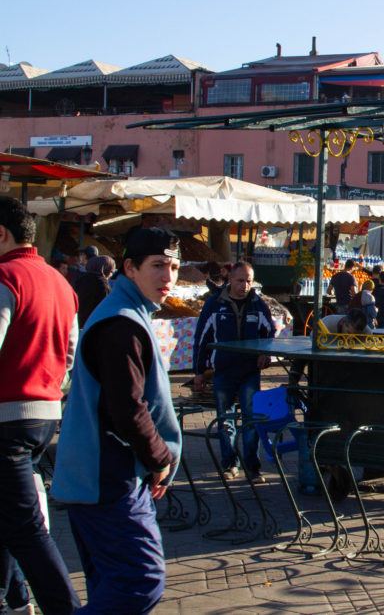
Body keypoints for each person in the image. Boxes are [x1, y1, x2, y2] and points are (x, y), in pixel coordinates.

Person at [52, 227, 184, 613]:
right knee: (140, 581)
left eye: (174, 267)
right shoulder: (121, 323)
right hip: (107, 478)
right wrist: (159, 458)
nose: (168, 276)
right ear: (130, 268)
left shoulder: (128, 315)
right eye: (157, 265)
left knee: (109, 584)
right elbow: (128, 408)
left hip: (102, 476)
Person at [0, 197, 81, 615]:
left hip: (7, 418)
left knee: (27, 528)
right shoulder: (58, 282)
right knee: (9, 515)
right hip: (45, 413)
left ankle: (62, 608)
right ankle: (16, 601)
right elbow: (70, 352)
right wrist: (50, 388)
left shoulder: (5, 277)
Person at [193, 262, 277, 482]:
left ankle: (252, 467)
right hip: (223, 371)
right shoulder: (214, 304)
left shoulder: (258, 304)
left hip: (250, 372)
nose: (245, 286)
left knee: (251, 420)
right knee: (225, 421)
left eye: (249, 281)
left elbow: (269, 332)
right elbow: (202, 338)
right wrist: (199, 371)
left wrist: (265, 353)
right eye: (240, 280)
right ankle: (230, 464)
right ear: (230, 279)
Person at [73, 254, 116, 326]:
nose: (111, 275)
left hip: (75, 321)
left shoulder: (81, 279)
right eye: (111, 271)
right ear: (106, 270)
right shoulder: (103, 285)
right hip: (90, 325)